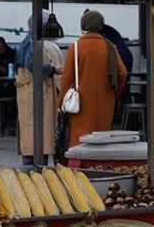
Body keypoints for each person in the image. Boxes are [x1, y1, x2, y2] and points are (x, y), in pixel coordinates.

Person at [59, 11, 129, 149]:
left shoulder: (76, 47)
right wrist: (114, 94)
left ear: (83, 24)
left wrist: (60, 103)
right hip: (105, 102)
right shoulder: (110, 47)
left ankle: (80, 168)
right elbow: (123, 73)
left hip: (81, 103)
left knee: (80, 142)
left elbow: (67, 79)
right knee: (101, 141)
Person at [15, 12, 65, 166]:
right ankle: (36, 170)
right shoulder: (32, 43)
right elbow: (33, 65)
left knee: (32, 135)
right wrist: (53, 70)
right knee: (38, 136)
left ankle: (32, 167)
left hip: (30, 94)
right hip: (36, 95)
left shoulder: (27, 42)